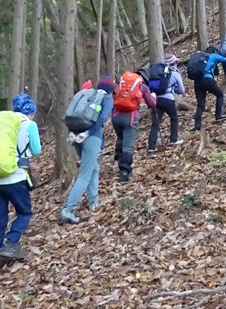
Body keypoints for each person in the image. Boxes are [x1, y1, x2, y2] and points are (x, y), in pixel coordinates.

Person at [0, 93, 41, 273]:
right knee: (25, 212)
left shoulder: (2, 124)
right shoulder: (29, 124)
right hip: (15, 177)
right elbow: (37, 150)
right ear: (30, 112)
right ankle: (11, 243)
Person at [60, 77, 115, 224]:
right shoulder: (107, 99)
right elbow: (102, 120)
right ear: (111, 90)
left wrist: (73, 133)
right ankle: (68, 209)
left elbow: (72, 115)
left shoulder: (87, 96)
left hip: (76, 135)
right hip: (91, 137)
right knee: (84, 174)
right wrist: (88, 133)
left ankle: (93, 201)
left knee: (94, 168)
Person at [112, 71, 157, 182]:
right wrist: (154, 97)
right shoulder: (142, 86)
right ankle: (124, 172)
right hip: (131, 118)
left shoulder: (121, 84)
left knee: (121, 138)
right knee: (128, 145)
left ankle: (119, 159)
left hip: (116, 117)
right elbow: (151, 104)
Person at [148, 53, 185, 153]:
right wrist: (173, 89)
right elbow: (181, 90)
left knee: (155, 124)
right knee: (174, 118)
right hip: (168, 99)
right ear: (174, 63)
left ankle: (151, 147)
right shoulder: (175, 74)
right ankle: (174, 139)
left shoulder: (158, 73)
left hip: (156, 99)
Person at [193, 46, 226, 130]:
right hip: (208, 80)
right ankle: (218, 115)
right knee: (220, 95)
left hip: (197, 82)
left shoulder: (200, 57)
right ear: (214, 51)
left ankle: (197, 124)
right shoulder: (213, 56)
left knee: (200, 104)